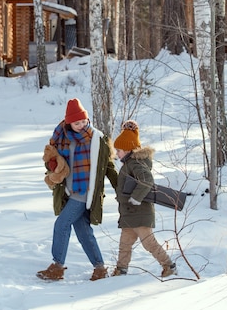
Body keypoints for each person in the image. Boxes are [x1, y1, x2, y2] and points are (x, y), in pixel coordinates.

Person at [37, 98, 118, 281]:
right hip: (68, 191)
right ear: (68, 123)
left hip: (84, 192)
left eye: (83, 121)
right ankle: (99, 268)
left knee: (62, 225)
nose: (81, 125)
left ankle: (57, 267)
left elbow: (109, 167)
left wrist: (121, 188)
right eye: (76, 123)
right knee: (83, 232)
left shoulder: (97, 140)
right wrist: (52, 168)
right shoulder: (62, 138)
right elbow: (54, 161)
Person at [112, 120, 176, 277]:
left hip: (140, 213)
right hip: (130, 214)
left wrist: (136, 198)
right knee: (125, 244)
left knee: (148, 243)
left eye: (119, 150)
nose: (117, 153)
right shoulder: (129, 163)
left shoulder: (135, 163)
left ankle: (169, 266)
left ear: (127, 150)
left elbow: (146, 180)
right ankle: (121, 270)